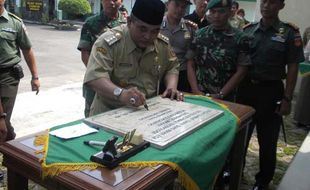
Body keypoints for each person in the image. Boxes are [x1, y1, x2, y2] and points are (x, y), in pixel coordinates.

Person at [236, 0, 305, 189]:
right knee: (240, 136)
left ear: (281, 5)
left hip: (271, 91)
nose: (266, 5)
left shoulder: (289, 32)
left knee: (268, 140)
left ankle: (263, 180)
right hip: (246, 90)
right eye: (264, 1)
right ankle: (234, 171)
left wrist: (287, 98)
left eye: (272, 2)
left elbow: (293, 67)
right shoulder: (248, 30)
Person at [83, 0, 183, 116]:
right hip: (109, 114)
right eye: (142, 29)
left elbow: (172, 66)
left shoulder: (161, 45)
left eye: (154, 31)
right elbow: (95, 78)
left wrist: (171, 87)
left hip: (145, 113)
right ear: (129, 22)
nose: (148, 36)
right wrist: (121, 94)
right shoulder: (109, 42)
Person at [186, 0, 251, 101]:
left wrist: (221, 94)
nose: (216, 15)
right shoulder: (199, 34)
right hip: (199, 94)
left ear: (230, 12)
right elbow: (190, 63)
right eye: (213, 11)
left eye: (221, 11)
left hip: (225, 97)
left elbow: (241, 70)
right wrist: (195, 90)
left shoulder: (240, 38)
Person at [77, 0, 126, 117]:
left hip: (121, 83)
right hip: (96, 84)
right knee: (92, 120)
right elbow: (85, 54)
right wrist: (99, 75)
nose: (111, 2)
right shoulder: (90, 24)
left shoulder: (127, 24)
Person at [0, 0, 40, 141]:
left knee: (3, 117)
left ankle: (8, 151)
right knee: (2, 121)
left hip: (7, 76)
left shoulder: (14, 22)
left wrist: (35, 77)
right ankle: (11, 144)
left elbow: (27, 49)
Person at [160, 0, 197, 92]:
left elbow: (191, 58)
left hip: (182, 73)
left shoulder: (190, 28)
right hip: (159, 72)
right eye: (176, 5)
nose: (180, 9)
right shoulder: (156, 24)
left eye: (183, 7)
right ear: (168, 4)